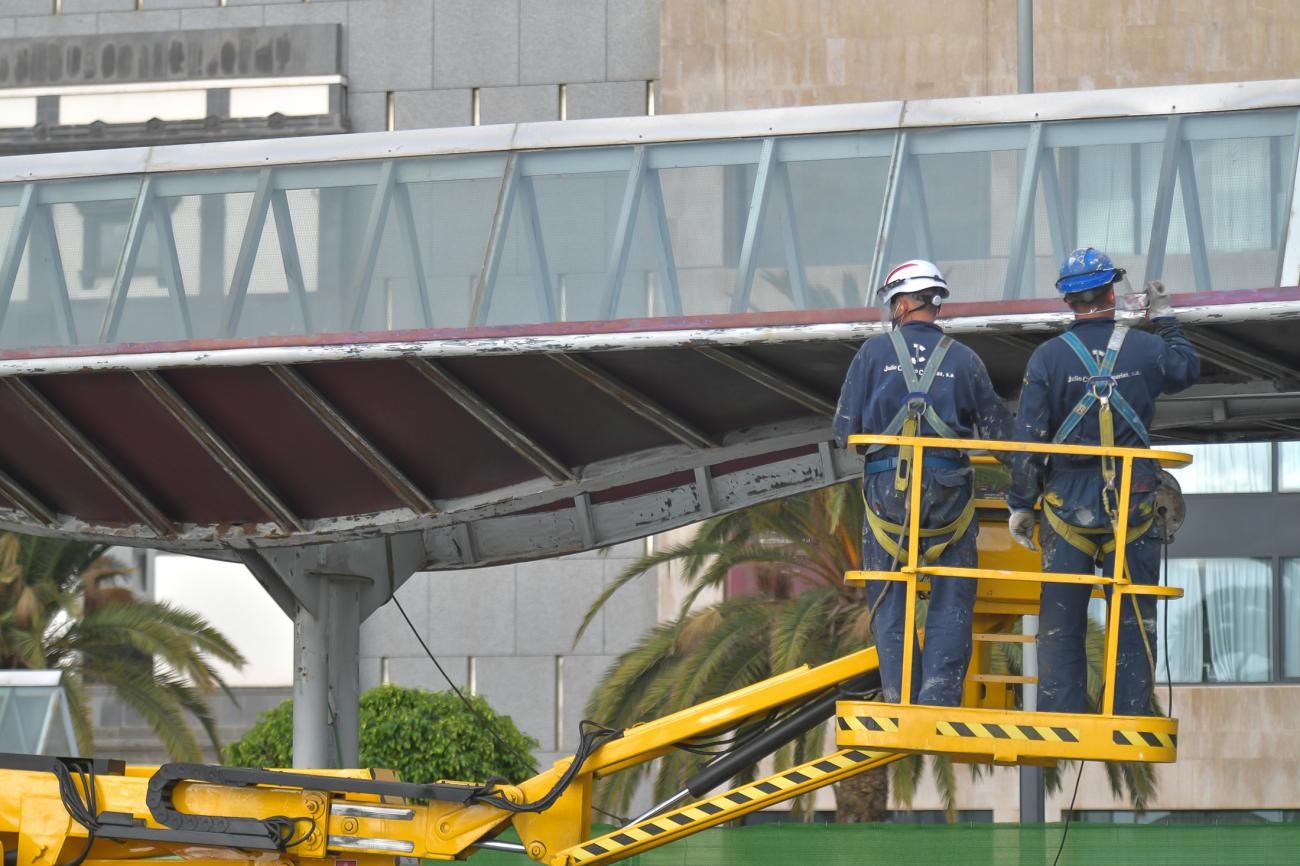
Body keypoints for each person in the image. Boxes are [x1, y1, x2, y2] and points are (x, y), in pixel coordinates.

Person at [1007, 247, 1200, 716]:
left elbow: (1030, 439)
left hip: (1065, 502)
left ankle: (1061, 712)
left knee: (1061, 617)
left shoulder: (1048, 358)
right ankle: (1130, 709)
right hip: (1133, 497)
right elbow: (1186, 369)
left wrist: (1020, 504)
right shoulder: (1146, 348)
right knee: (1134, 613)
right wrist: (1166, 319)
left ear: (1069, 301)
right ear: (1112, 291)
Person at [834, 259, 1015, 706]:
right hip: (948, 490)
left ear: (902, 303)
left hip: (887, 494)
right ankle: (940, 694)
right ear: (933, 303)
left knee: (890, 596)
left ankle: (900, 694)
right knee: (953, 592)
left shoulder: (872, 354)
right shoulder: (965, 359)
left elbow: (843, 432)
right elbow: (1002, 436)